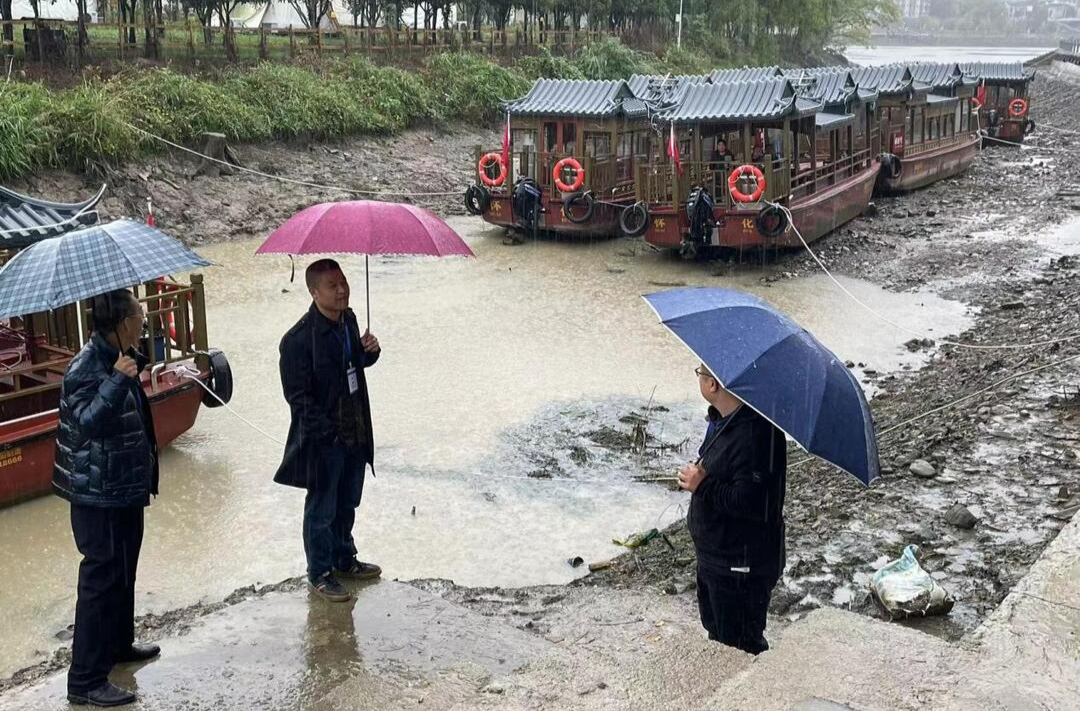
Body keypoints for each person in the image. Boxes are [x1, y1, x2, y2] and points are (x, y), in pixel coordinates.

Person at [53, 289, 160, 707]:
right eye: (138, 312)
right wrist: (118, 379)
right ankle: (84, 680)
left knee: (123, 572)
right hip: (97, 493)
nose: (144, 316)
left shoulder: (120, 355)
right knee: (100, 581)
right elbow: (84, 425)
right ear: (120, 322)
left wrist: (129, 370)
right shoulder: (86, 366)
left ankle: (118, 646)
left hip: (124, 486)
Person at [276, 259, 382, 603]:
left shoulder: (348, 321)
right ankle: (319, 572)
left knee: (348, 501)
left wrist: (370, 352)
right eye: (332, 286)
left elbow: (354, 367)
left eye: (344, 283)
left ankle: (343, 559)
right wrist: (329, 436)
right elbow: (299, 399)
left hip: (356, 429)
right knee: (321, 508)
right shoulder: (297, 340)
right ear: (313, 291)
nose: (341, 291)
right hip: (324, 440)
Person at [677, 364, 786, 655]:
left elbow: (751, 503)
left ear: (712, 384)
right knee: (719, 636)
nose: (697, 376)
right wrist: (702, 475)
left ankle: (749, 697)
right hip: (717, 558)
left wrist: (703, 485)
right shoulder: (725, 420)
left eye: (699, 371)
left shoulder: (754, 434)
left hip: (740, 566)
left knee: (739, 646)